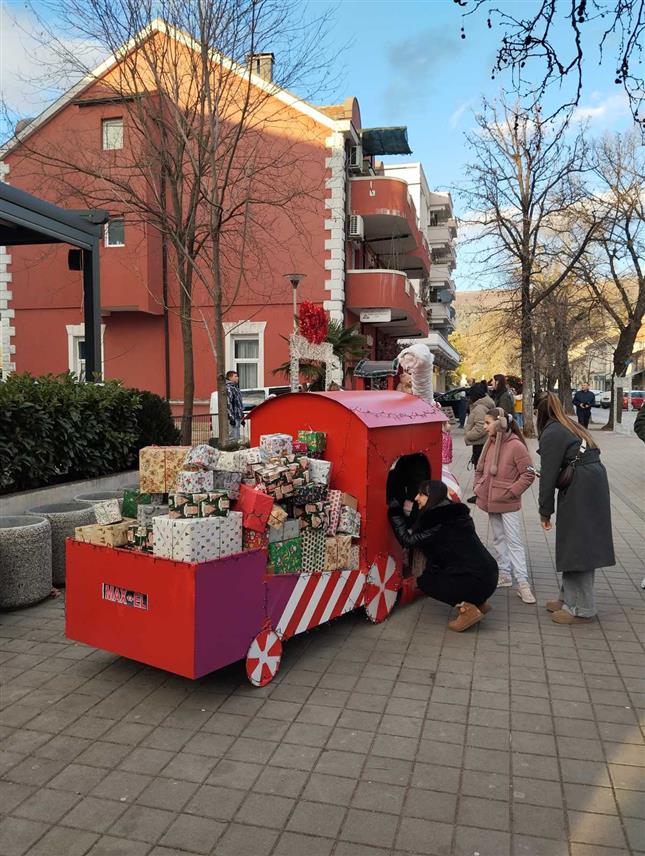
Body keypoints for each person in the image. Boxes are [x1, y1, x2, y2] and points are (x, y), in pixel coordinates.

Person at [536, 392, 615, 624]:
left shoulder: (551, 432)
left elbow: (548, 477)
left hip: (582, 484)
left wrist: (544, 512)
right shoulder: (568, 423)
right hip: (589, 480)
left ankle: (582, 608)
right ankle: (567, 598)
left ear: (538, 412)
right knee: (574, 541)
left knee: (579, 544)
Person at [388, 480, 499, 631]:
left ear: (432, 497)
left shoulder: (438, 523)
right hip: (489, 574)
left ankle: (467, 609)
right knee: (441, 570)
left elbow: (408, 541)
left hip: (476, 580)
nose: (416, 498)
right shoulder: (453, 513)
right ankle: (479, 603)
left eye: (421, 494)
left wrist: (395, 513)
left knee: (425, 581)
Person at [474, 407, 537, 603]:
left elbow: (528, 473)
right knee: (499, 538)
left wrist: (511, 492)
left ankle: (523, 583)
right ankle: (505, 574)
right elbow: (480, 467)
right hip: (490, 501)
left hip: (507, 502)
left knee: (514, 541)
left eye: (487, 423)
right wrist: (478, 485)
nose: (484, 427)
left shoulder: (516, 446)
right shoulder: (490, 443)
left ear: (499, 423)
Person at [464, 382, 495, 503]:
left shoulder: (479, 408)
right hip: (482, 442)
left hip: (480, 443)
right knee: (481, 468)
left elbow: (481, 427)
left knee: (480, 469)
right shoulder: (483, 405)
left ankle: (480, 494)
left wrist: (468, 435)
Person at [225, 370, 245, 441]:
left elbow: (239, 404)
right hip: (232, 418)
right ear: (230, 378)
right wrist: (231, 418)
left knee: (237, 438)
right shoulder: (228, 388)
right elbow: (228, 403)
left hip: (237, 417)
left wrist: (242, 417)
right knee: (232, 438)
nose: (237, 378)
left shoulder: (236, 388)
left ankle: (235, 450)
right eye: (235, 376)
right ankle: (231, 451)